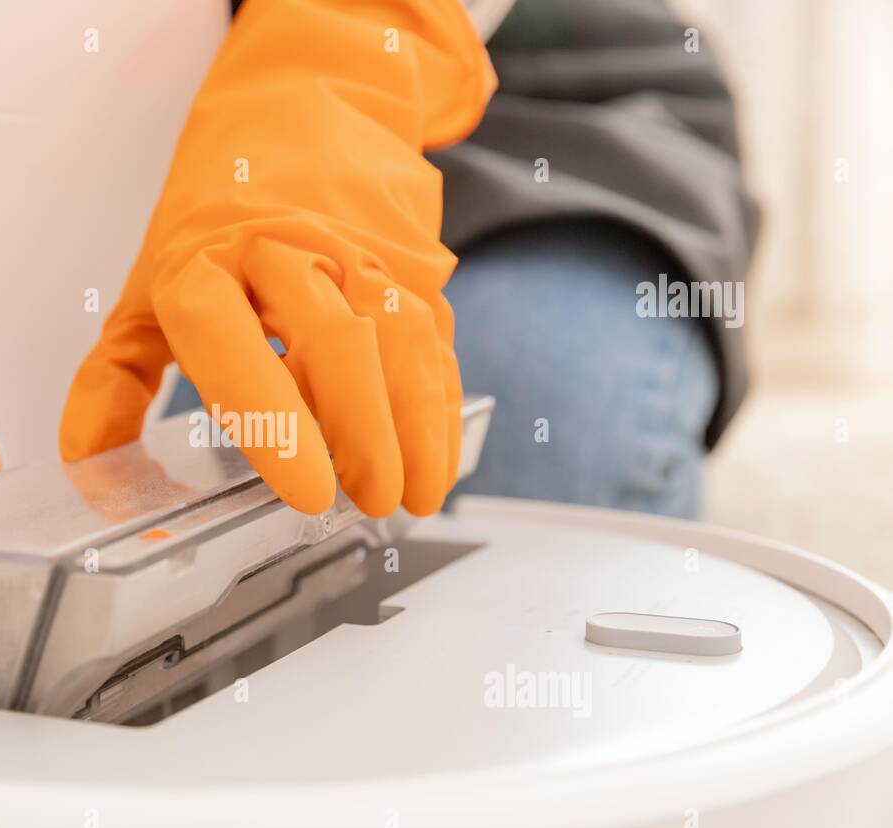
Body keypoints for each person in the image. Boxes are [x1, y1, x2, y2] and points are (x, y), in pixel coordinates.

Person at [60, 0, 759, 520]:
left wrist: (339, 48)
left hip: (549, 103)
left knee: (527, 428)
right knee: (205, 480)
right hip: (206, 140)